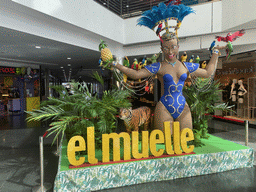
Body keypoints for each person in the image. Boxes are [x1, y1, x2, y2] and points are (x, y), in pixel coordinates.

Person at [109, 3, 221, 132]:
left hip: (183, 107)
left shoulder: (186, 66)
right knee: (164, 142)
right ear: (162, 49)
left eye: (173, 46)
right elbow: (135, 74)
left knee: (186, 138)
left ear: (178, 47)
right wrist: (115, 64)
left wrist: (215, 53)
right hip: (164, 108)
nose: (170, 51)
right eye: (166, 48)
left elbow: (207, 73)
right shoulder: (158, 66)